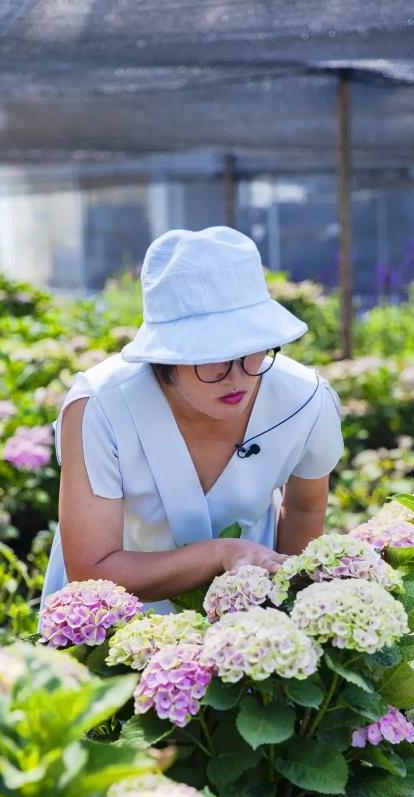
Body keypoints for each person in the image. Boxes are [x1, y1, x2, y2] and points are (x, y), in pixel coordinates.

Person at [39, 225, 344, 616]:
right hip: (116, 624)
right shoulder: (101, 407)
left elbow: (303, 511)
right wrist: (221, 553)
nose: (237, 377)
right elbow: (91, 569)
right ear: (166, 356)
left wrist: (284, 612)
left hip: (248, 620)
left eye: (252, 351)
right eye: (211, 357)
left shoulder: (306, 400)